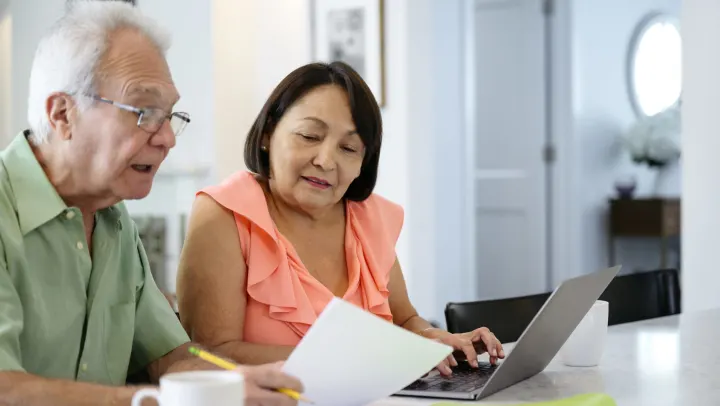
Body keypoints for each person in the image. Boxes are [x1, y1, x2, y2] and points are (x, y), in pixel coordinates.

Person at [0, 2, 302, 405]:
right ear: (62, 115)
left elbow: (170, 357)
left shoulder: (114, 219)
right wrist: (157, 402)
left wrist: (249, 383)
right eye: (144, 112)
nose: (167, 138)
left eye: (170, 115)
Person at [176, 61, 506, 376]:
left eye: (348, 148)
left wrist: (434, 339)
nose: (326, 161)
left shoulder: (369, 217)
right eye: (309, 136)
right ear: (267, 134)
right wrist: (355, 359)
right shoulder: (225, 214)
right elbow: (208, 353)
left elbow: (405, 321)